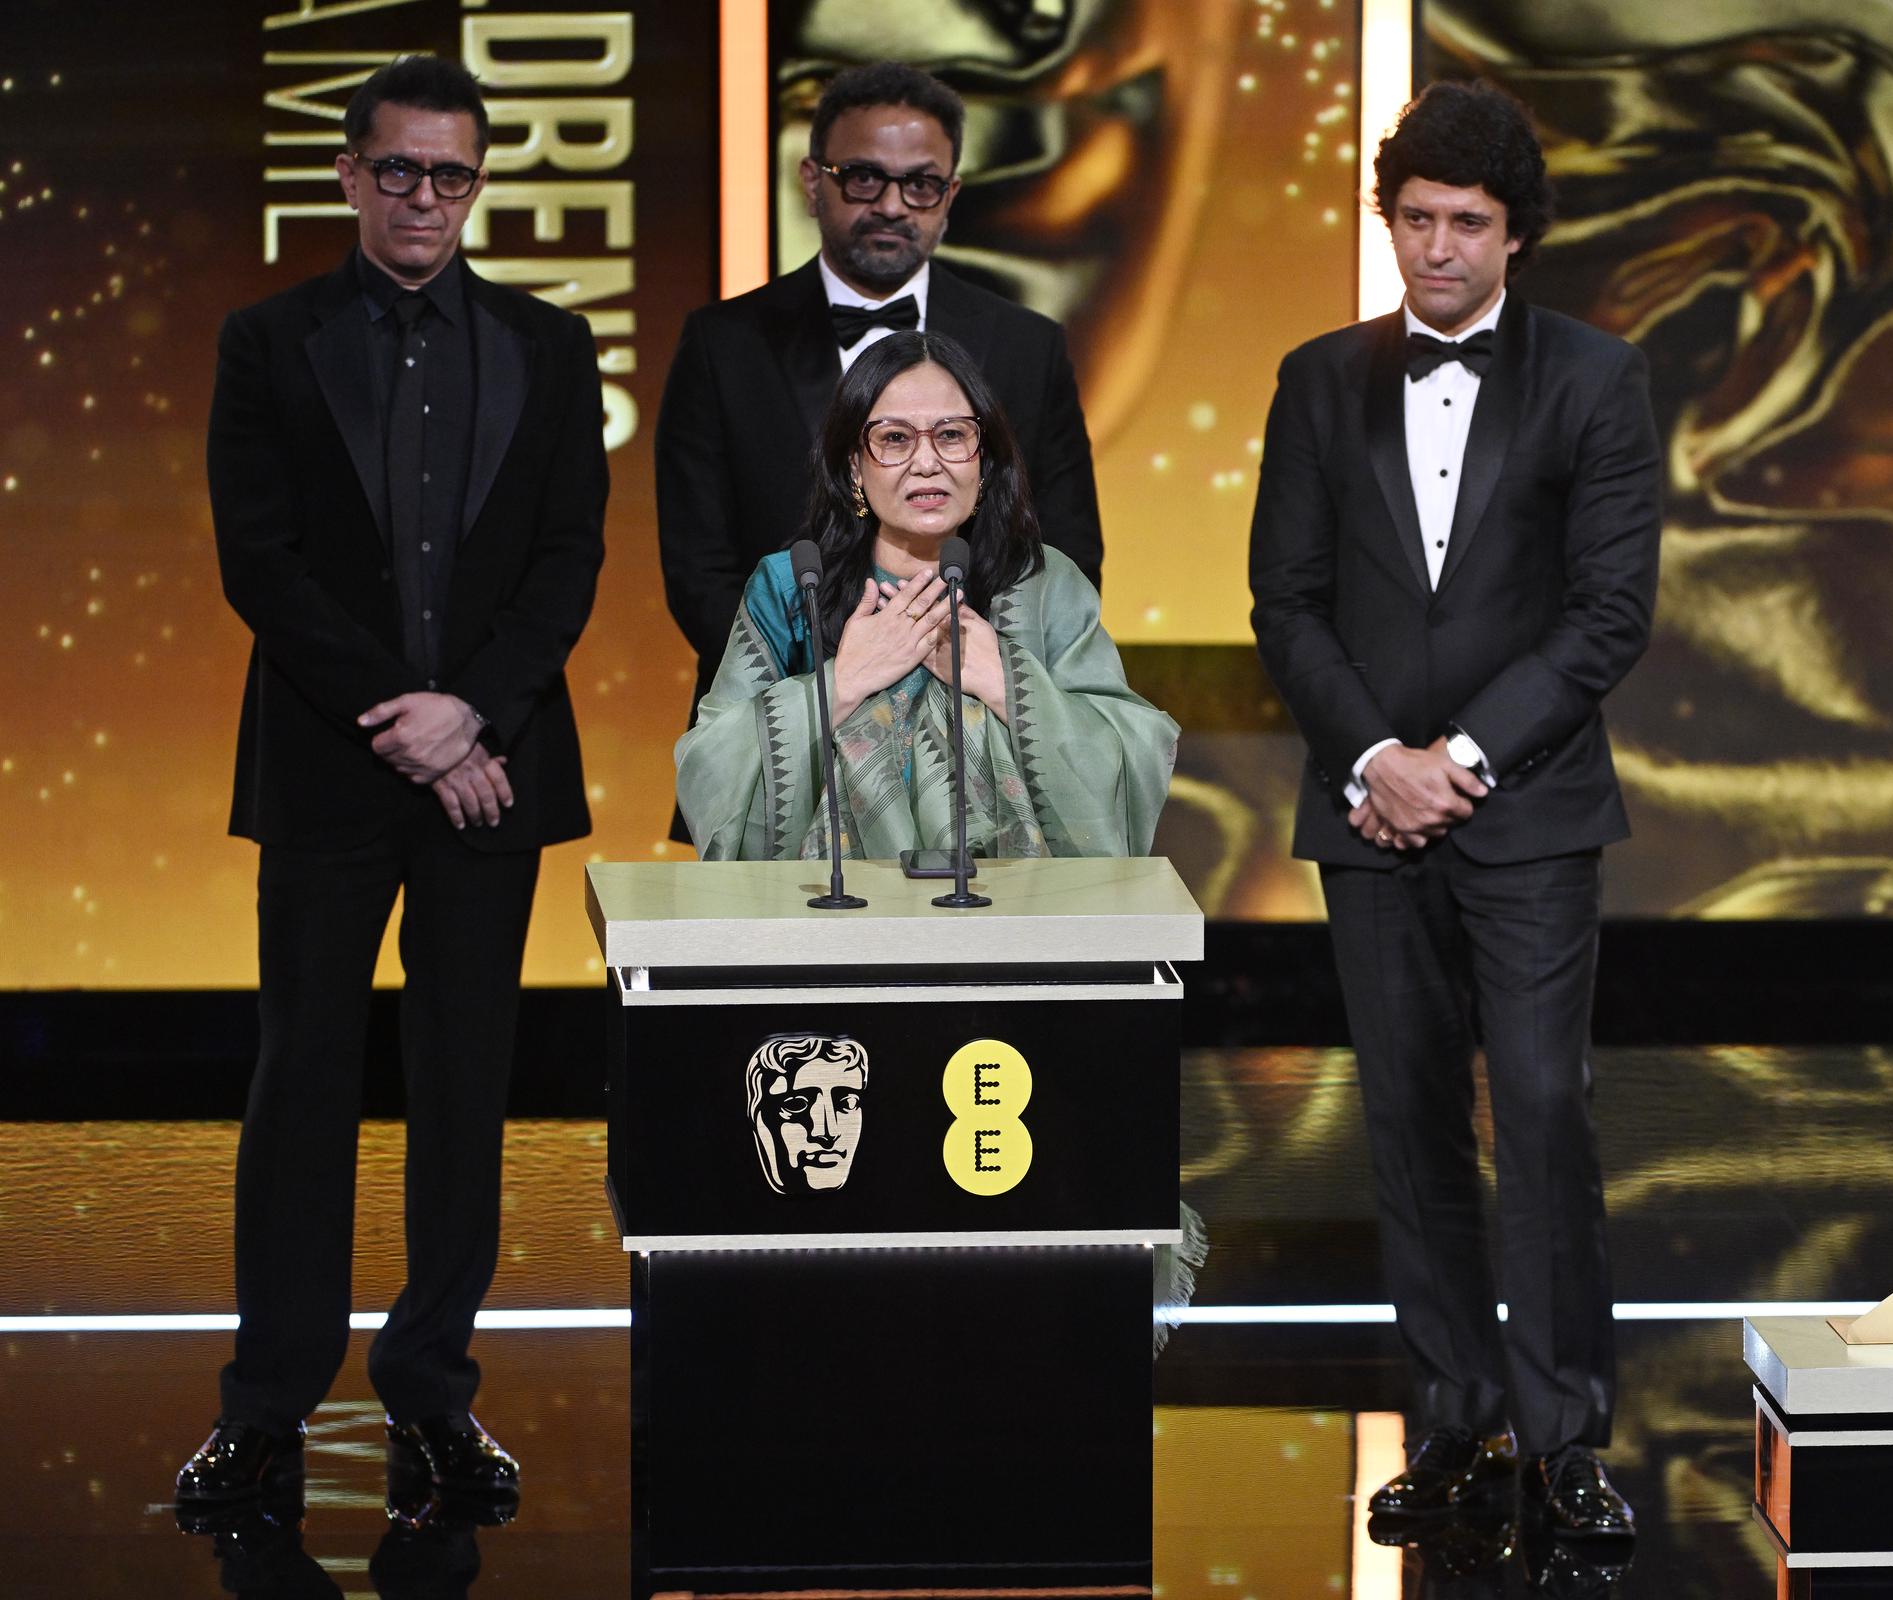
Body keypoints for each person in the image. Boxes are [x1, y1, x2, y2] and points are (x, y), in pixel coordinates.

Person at [178, 54, 608, 1513]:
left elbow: (567, 560)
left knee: (461, 1086)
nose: (426, 198)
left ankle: (432, 1394)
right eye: (400, 170)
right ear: (351, 175)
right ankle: (267, 1407)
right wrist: (405, 720)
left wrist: (473, 714)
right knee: (300, 1081)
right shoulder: (268, 340)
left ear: (478, 186)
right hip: (332, 774)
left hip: (489, 779)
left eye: (453, 175)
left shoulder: (551, 348)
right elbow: (263, 562)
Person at [1247, 81, 1661, 1537]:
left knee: (1543, 1111)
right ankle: (1454, 1422)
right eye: (1414, 219)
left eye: (1465, 225)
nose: (1436, 249)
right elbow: (1284, 604)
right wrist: (1377, 762)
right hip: (1368, 817)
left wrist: (1462, 760)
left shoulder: (1594, 380)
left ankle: (1565, 1439)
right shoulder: (1318, 380)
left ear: (1518, 234)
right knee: (1412, 1118)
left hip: (1529, 811)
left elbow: (1610, 614)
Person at [658, 60, 1103, 838]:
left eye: (921, 184)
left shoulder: (1027, 346)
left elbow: (1067, 548)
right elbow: (698, 567)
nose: (893, 204)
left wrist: (956, 677)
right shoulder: (722, 343)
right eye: (863, 178)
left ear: (951, 195)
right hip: (780, 755)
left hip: (986, 759)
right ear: (812, 180)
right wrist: (847, 677)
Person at [675, 331, 1170, 861]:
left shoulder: (1043, 582)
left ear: (985, 461)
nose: (927, 462)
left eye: (952, 435)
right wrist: (839, 686)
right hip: (828, 919)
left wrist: (1009, 685)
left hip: (1012, 921)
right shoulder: (794, 586)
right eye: (894, 439)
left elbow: (1133, 753)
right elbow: (709, 769)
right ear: (852, 468)